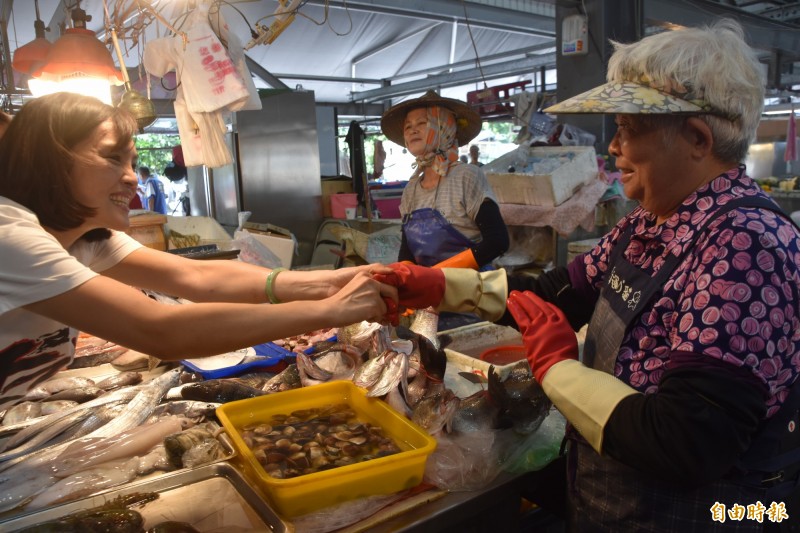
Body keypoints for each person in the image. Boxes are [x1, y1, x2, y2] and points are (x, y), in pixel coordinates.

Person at [375, 20, 800, 531]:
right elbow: (561, 293)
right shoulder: (650, 221)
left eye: (629, 129)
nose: (614, 147)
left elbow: (692, 441)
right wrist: (444, 287)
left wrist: (559, 370)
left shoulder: (743, 244)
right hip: (619, 491)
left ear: (696, 137)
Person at [0, 93, 397, 412]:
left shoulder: (87, 236)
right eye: (111, 157)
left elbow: (197, 278)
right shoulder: (11, 237)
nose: (132, 177)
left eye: (133, 162)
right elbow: (160, 329)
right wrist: (330, 309)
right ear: (47, 160)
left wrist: (329, 281)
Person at [380, 90, 508, 270]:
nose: (413, 130)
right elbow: (407, 251)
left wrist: (438, 274)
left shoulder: (466, 176)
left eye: (422, 123)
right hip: (431, 289)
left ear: (443, 128)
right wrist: (407, 276)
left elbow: (498, 241)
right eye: (408, 126)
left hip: (472, 288)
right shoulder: (412, 189)